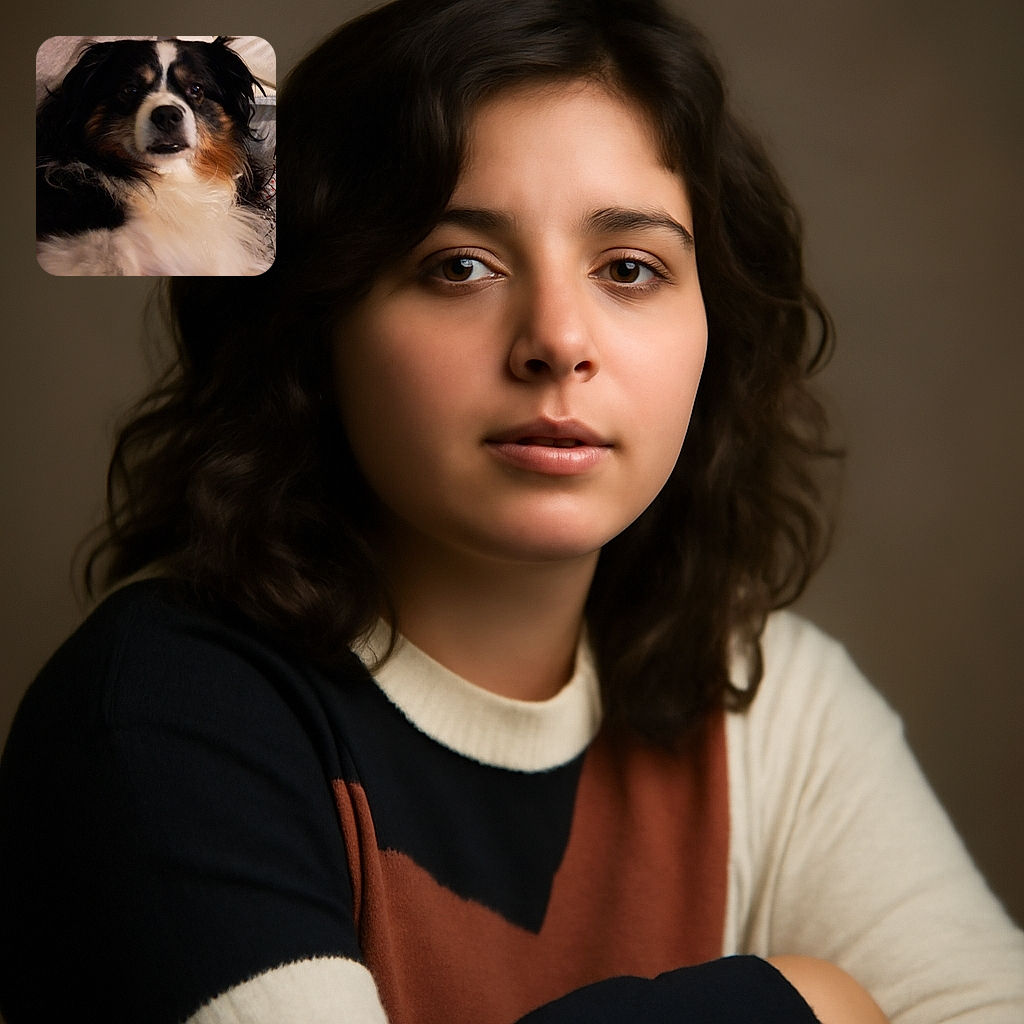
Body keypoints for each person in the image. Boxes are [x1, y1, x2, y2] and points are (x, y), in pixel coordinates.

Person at [1, 1, 1022, 1021]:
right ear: (314, 326)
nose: (557, 340)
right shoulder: (159, 712)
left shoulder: (773, 700)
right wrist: (800, 1005)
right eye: (460, 266)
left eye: (630, 268)